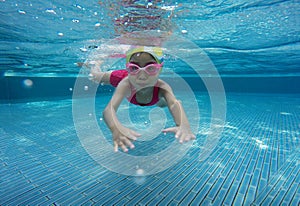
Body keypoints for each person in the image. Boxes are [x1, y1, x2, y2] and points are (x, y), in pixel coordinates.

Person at [89, 46, 195, 152]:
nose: (142, 76)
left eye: (151, 68)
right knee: (94, 76)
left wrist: (183, 125)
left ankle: (167, 102)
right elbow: (109, 110)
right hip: (121, 78)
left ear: (159, 69)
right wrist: (116, 129)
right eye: (134, 67)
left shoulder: (162, 87)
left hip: (156, 97)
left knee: (165, 103)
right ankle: (96, 62)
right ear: (128, 68)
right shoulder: (125, 83)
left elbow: (173, 104)